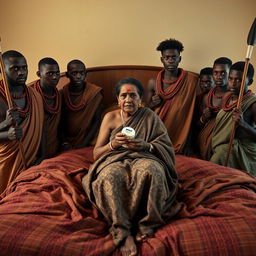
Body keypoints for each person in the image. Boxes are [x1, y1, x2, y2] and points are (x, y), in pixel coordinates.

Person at [82, 78, 179, 256]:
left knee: (151, 171)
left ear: (140, 99)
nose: (128, 100)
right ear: (118, 99)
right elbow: (96, 154)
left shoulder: (150, 116)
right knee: (109, 177)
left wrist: (146, 146)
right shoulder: (110, 118)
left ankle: (147, 223)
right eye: (123, 96)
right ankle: (122, 230)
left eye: (133, 95)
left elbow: (166, 147)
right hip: (114, 159)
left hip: (144, 156)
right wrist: (113, 145)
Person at [0, 50, 44, 193]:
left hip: (31, 162)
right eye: (15, 68)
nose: (21, 72)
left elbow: (41, 130)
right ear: (2, 70)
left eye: (24, 68)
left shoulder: (35, 96)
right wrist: (6, 130)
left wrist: (41, 157)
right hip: (5, 164)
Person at [147, 38, 199, 155]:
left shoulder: (191, 81)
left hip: (180, 132)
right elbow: (145, 110)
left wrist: (189, 143)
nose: (170, 60)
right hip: (158, 131)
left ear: (179, 59)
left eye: (174, 57)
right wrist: (152, 104)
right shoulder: (153, 82)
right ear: (162, 59)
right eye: (167, 57)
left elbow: (192, 113)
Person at [210, 61, 256, 175]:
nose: (233, 83)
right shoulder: (227, 96)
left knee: (215, 163)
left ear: (249, 81)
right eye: (230, 79)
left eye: (238, 80)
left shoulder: (253, 104)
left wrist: (243, 124)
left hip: (242, 151)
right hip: (221, 145)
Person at [60, 59, 103, 149]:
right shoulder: (62, 94)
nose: (79, 76)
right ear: (67, 75)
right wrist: (64, 142)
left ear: (85, 73)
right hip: (64, 141)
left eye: (81, 73)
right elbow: (59, 122)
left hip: (88, 140)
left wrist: (84, 144)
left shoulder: (94, 93)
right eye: (74, 73)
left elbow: (96, 121)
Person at [197, 57, 232, 160]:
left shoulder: (235, 97)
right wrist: (203, 118)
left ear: (230, 73)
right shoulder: (205, 97)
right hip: (204, 143)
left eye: (223, 73)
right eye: (215, 73)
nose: (219, 77)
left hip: (224, 144)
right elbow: (196, 126)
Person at [30, 57, 62, 161]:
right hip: (34, 152)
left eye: (57, 73)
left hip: (54, 149)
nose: (55, 77)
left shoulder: (58, 94)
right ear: (39, 74)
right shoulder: (31, 95)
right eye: (50, 73)